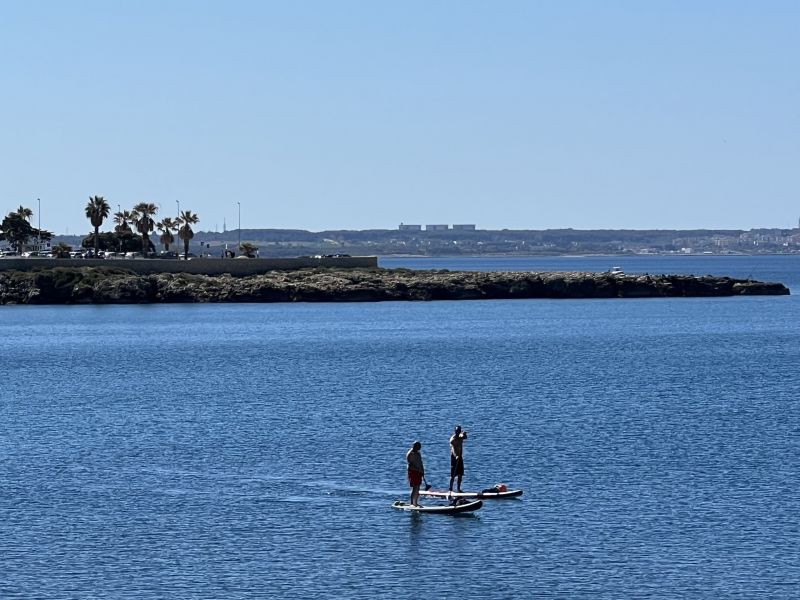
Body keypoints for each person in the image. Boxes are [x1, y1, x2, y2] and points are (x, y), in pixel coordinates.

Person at [449, 425, 468, 492]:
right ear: (455, 431)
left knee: (460, 474)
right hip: (454, 457)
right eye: (456, 431)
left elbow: (464, 437)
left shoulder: (460, 436)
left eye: (459, 431)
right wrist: (456, 456)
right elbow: (453, 449)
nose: (457, 432)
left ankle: (458, 488)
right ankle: (450, 488)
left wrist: (464, 434)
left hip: (460, 456)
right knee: (453, 474)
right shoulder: (452, 439)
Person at [406, 441, 425, 506]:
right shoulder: (410, 454)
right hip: (413, 472)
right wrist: (417, 469)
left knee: (418, 488)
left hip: (419, 472)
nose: (420, 448)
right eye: (419, 446)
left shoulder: (418, 453)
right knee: (414, 488)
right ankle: (412, 503)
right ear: (415, 446)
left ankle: (415, 502)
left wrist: (422, 471)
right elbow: (410, 465)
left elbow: (420, 462)